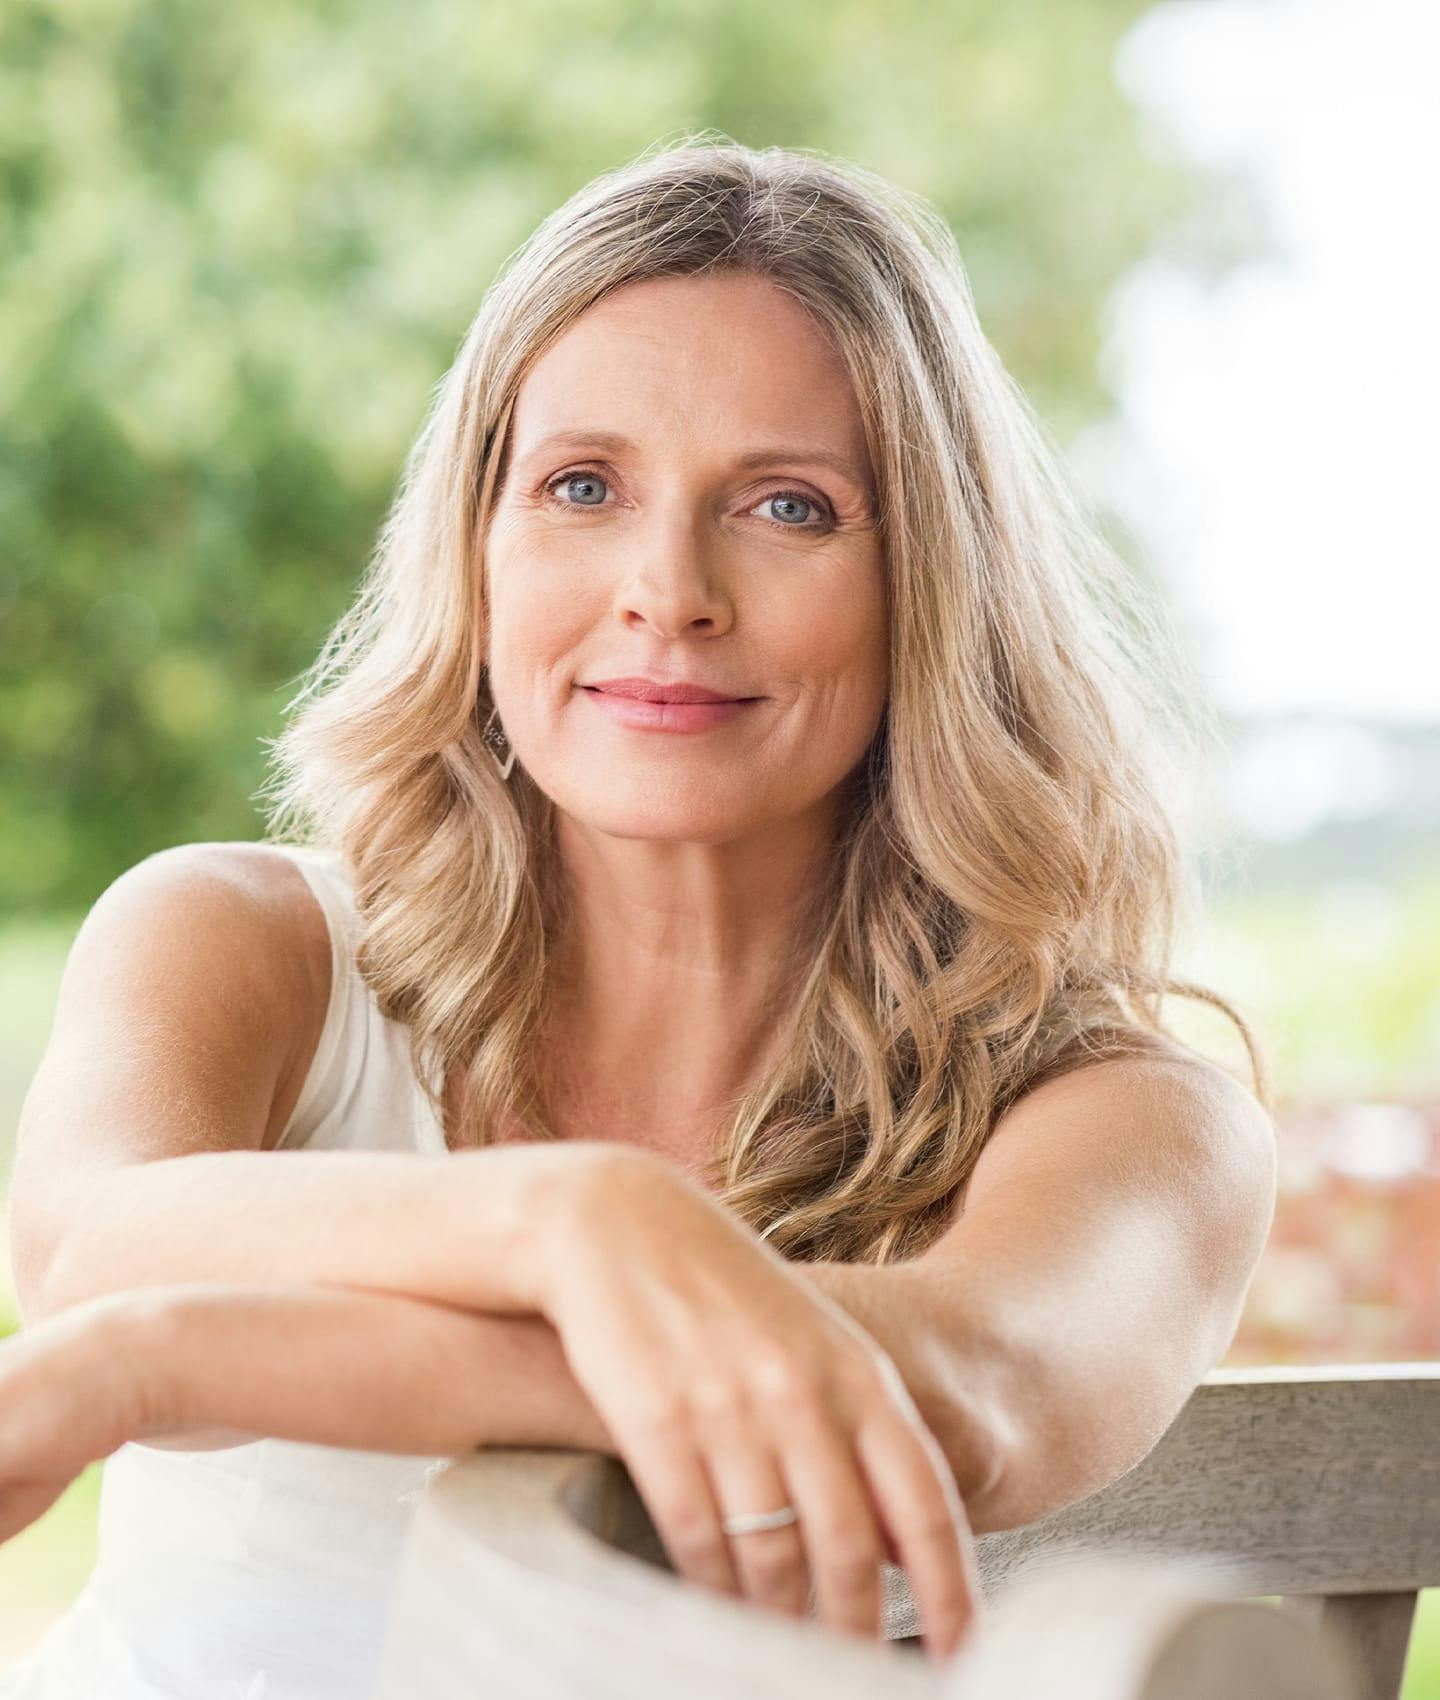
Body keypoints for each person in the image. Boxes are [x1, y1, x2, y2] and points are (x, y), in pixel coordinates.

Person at [0, 137, 1277, 1697]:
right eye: (583, 486)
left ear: (933, 587)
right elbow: (88, 1246)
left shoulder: (1138, 1118)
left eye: (791, 506)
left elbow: (964, 1398)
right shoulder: (238, 939)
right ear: (478, 545)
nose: (668, 590)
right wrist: (574, 1221)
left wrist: (173, 1355)